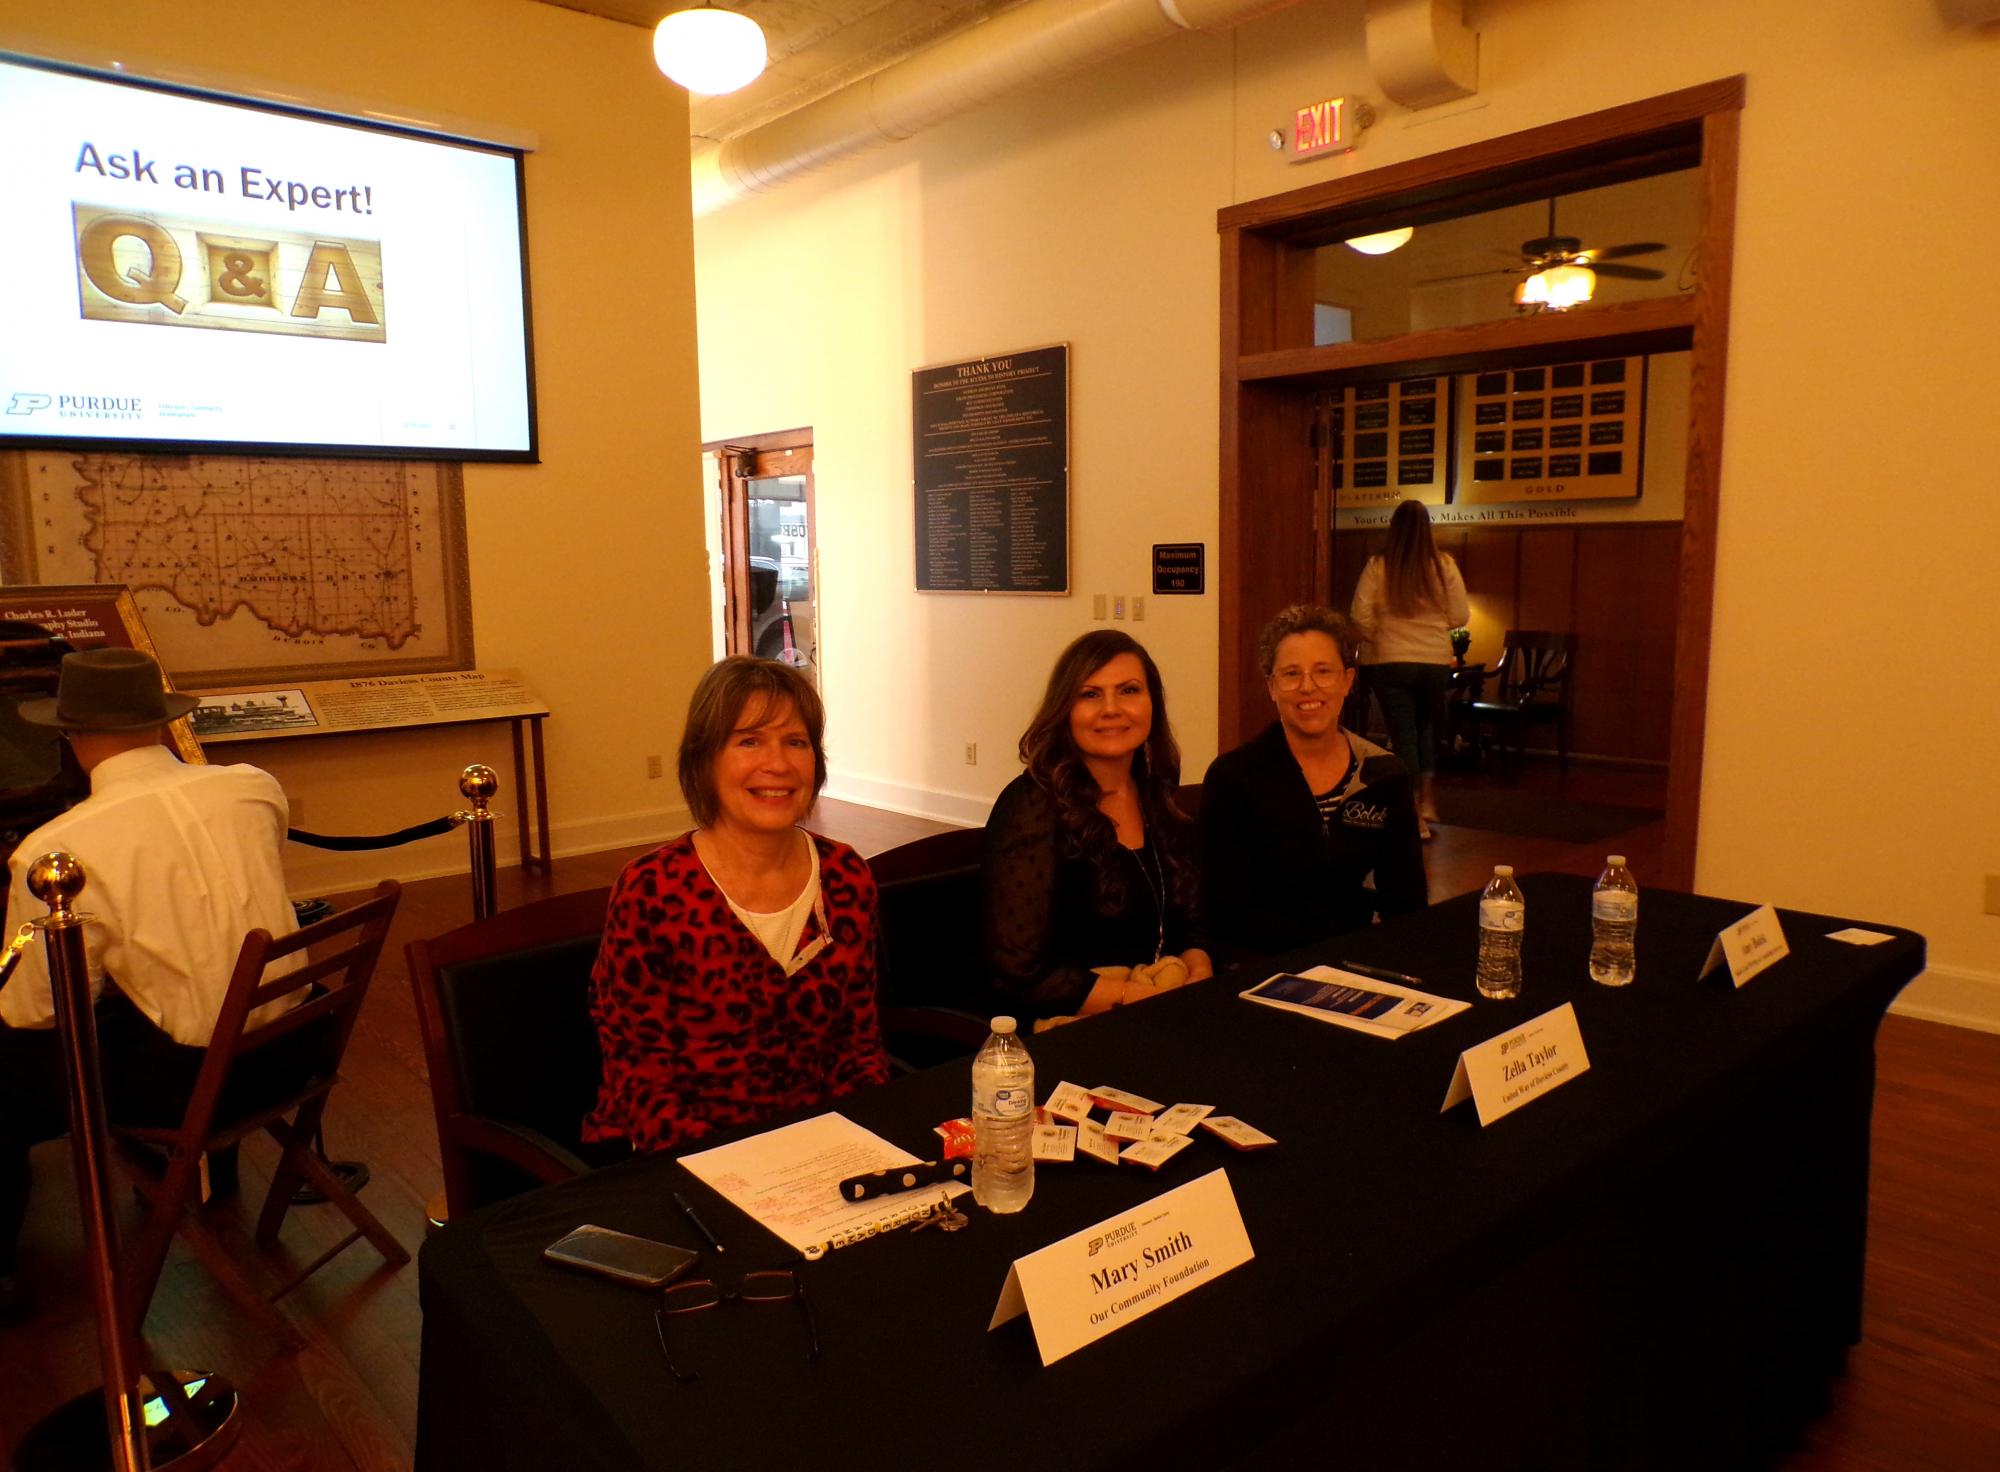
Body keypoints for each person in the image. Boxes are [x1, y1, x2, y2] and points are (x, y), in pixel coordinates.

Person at [0, 649, 301, 1313]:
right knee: (172, 982)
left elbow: (36, 1011)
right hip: (296, 1050)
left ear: (70, 737)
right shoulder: (252, 787)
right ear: (163, 724)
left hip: (194, 1083)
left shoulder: (54, 852)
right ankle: (204, 1176)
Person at [583, 656, 888, 1155]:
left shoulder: (845, 875)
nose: (779, 764)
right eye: (749, 741)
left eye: (796, 742)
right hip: (677, 1157)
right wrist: (739, 1171)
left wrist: (859, 1142)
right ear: (705, 760)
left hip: (814, 1147)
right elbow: (640, 1078)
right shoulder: (653, 891)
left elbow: (856, 1045)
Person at [982, 630, 1210, 1024]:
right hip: (1067, 1029)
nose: (1111, 709)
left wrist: (1198, 966)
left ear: (1152, 703)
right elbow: (1020, 974)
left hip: (1158, 1007)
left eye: (1129, 691)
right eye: (1090, 694)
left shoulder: (1155, 792)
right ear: (1064, 709)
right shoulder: (1032, 807)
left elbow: (1189, 921)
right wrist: (1142, 998)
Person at [1201, 606, 1427, 962]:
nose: (1308, 687)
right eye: (1291, 674)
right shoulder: (1233, 777)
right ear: (1272, 687)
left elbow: (1407, 902)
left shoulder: (1384, 775)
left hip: (1353, 962)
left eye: (1323, 672)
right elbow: (1223, 909)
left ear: (1347, 681)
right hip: (1258, 967)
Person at [1349, 499, 1470, 838]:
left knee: (1403, 737)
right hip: (1433, 662)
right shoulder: (1443, 565)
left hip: (1390, 661)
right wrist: (1433, 628)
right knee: (1425, 729)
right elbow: (1460, 616)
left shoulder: (1379, 565)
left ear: (1395, 529)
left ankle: (1413, 814)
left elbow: (1360, 615)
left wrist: (1381, 636)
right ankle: (1429, 800)